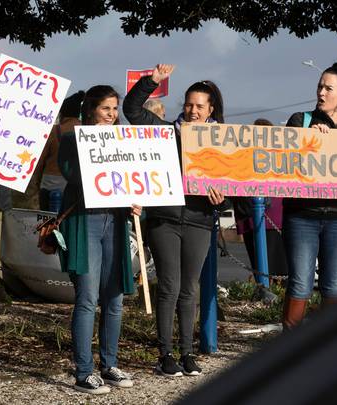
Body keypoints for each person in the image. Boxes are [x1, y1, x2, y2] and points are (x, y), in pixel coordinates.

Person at [123, 64, 229, 377]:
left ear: (211, 109)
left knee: (190, 289)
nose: (193, 111)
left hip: (198, 220)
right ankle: (165, 354)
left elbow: (235, 184)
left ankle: (187, 353)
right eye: (188, 105)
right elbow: (131, 109)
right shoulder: (164, 132)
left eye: (199, 106)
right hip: (164, 219)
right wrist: (152, 81)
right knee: (169, 285)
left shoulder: (223, 142)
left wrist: (223, 199)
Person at [57, 85, 140, 395]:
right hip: (84, 222)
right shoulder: (70, 139)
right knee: (88, 298)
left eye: (115, 109)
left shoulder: (125, 142)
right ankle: (83, 371)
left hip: (115, 222)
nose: (112, 114)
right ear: (91, 110)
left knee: (115, 298)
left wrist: (136, 202)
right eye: (106, 108)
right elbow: (70, 174)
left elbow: (136, 178)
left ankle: (110, 364)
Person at [281, 56, 337, 330]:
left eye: (328, 88)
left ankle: (326, 349)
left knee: (334, 286)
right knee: (301, 283)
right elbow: (282, 160)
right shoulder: (300, 120)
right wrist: (307, 139)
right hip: (302, 216)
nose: (321, 92)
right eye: (320, 86)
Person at [232, 119, 288, 278]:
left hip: (261, 220)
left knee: (265, 271)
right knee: (277, 272)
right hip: (271, 220)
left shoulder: (243, 158)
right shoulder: (279, 158)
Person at [36, 90, 85, 211]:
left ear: (62, 113)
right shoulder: (87, 132)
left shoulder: (54, 131)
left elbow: (40, 161)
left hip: (50, 185)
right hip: (77, 186)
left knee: (47, 225)